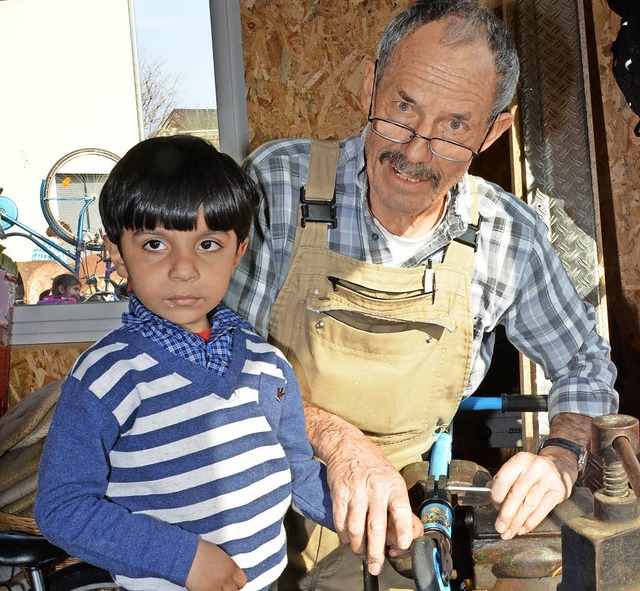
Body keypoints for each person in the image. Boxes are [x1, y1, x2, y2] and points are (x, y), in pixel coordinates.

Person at [223, 0, 619, 588]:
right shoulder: (278, 184)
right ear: (369, 87)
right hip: (256, 466)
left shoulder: (506, 236)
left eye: (454, 128)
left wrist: (562, 454)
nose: (413, 152)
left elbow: (586, 363)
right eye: (402, 109)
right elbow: (206, 349)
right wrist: (337, 440)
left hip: (403, 492)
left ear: (493, 133)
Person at [34, 135, 334, 591]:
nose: (183, 268)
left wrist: (361, 516)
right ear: (116, 252)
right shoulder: (106, 375)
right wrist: (183, 557)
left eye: (208, 244)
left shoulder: (267, 365)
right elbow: (62, 508)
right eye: (155, 243)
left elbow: (297, 469)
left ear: (239, 251)